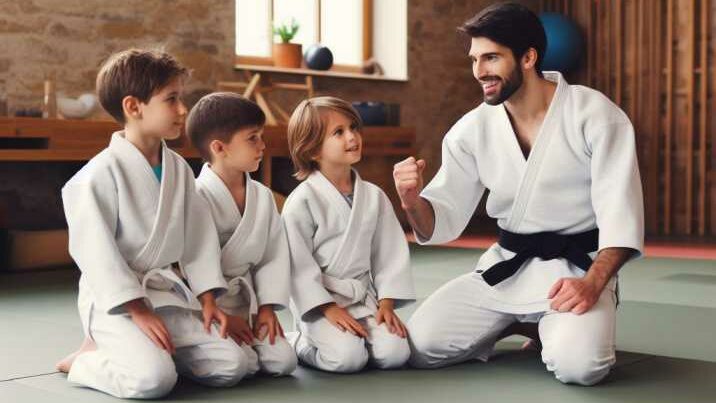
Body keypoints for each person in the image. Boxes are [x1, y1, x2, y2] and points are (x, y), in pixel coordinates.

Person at [394, 3, 644, 386]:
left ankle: (546, 324)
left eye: (491, 58)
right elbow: (441, 218)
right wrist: (412, 202)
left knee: (580, 367)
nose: (479, 71)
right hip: (506, 269)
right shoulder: (471, 129)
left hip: (575, 270)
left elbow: (620, 215)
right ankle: (516, 322)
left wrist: (594, 284)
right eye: (475, 59)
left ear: (528, 57)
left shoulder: (596, 116)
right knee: (420, 346)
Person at [56, 49, 248, 398]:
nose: (183, 109)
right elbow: (96, 255)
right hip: (119, 302)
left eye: (181, 98)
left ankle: (151, 354)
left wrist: (207, 298)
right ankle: (87, 360)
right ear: (133, 107)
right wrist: (137, 309)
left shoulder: (177, 169)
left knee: (233, 364)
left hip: (167, 294)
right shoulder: (96, 177)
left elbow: (198, 239)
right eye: (171, 99)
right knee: (152, 381)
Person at [283, 96, 416, 373]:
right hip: (320, 304)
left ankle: (358, 339)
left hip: (362, 300)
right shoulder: (302, 200)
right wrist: (327, 308)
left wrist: (387, 303)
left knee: (395, 353)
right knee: (347, 359)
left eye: (353, 127)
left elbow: (388, 254)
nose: (352, 137)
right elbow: (297, 265)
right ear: (312, 150)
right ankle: (299, 343)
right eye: (338, 132)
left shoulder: (374, 196)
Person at [188, 92, 297, 377]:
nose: (263, 145)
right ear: (219, 147)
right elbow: (193, 262)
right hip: (206, 306)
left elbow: (273, 256)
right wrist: (215, 308)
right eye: (253, 138)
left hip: (247, 304)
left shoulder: (262, 196)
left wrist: (266, 308)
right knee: (239, 366)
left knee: (283, 362)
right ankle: (183, 351)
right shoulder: (196, 197)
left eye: (261, 136)